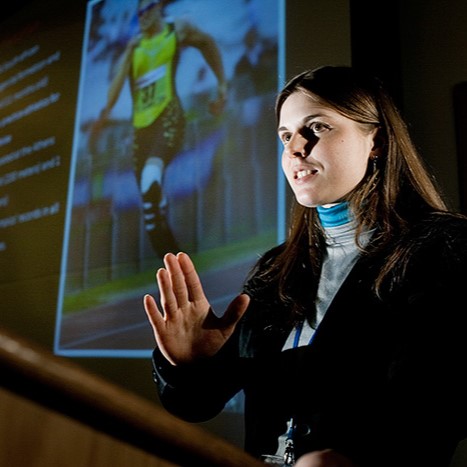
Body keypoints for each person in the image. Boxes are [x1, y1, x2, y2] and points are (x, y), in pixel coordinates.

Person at [143, 65, 467, 466]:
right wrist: (190, 366)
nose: (295, 147)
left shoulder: (444, 248)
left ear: (377, 141)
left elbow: (441, 399)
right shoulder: (275, 269)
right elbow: (196, 405)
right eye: (285, 135)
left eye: (318, 127)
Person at [91, 0, 227, 258]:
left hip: (168, 115)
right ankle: (173, 258)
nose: (142, 16)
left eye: (146, 10)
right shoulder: (135, 46)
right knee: (149, 204)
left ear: (157, 8)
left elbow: (207, 43)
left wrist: (222, 85)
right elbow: (112, 93)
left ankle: (156, 192)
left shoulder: (176, 30)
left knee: (150, 178)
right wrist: (128, 54)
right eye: (138, 13)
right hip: (141, 128)